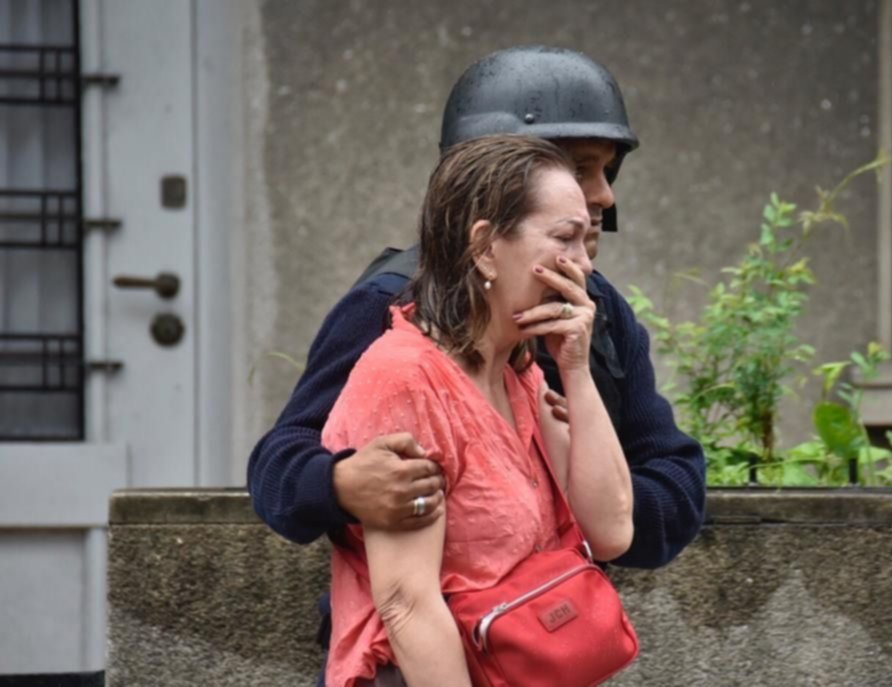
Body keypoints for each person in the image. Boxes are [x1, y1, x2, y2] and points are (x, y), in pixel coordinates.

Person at [245, 46, 706, 681]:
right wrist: (344, 485)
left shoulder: (580, 321)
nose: (600, 194)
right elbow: (281, 462)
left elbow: (664, 489)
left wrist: (576, 480)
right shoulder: (391, 311)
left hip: (540, 646)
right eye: (578, 169)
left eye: (605, 172)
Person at [322, 134, 634, 686]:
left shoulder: (521, 369)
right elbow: (407, 606)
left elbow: (610, 530)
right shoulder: (406, 380)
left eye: (586, 242)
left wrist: (578, 370)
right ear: (486, 247)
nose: (583, 265)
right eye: (566, 238)